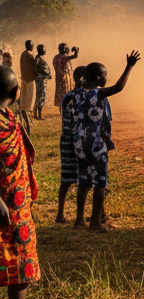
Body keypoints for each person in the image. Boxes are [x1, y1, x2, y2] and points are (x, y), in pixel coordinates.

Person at [71, 52, 141, 231]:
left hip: (79, 143)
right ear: (97, 78)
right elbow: (118, 87)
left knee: (84, 182)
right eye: (104, 76)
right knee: (100, 182)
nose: (106, 79)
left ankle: (79, 221)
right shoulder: (97, 94)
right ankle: (95, 223)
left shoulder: (78, 94)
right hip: (96, 144)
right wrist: (129, 66)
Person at [0, 65, 41, 299]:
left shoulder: (9, 118)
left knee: (21, 269)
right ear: (16, 92)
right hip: (5, 206)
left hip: (17, 209)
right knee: (18, 268)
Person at [56, 65, 87, 224]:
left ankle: (60, 214)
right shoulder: (86, 97)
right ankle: (97, 214)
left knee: (66, 178)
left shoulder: (67, 97)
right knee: (88, 177)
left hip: (66, 140)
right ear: (83, 79)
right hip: (80, 141)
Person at [32, 44, 52, 121]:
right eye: (43, 49)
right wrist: (45, 74)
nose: (44, 50)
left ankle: (37, 114)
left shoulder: (40, 58)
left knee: (41, 96)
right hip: (40, 80)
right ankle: (38, 115)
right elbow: (36, 69)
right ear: (40, 50)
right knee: (41, 96)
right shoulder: (38, 59)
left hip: (43, 79)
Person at [18, 41, 35, 117]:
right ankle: (28, 110)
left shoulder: (23, 54)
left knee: (24, 94)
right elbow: (34, 66)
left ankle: (23, 108)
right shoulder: (30, 55)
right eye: (32, 45)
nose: (32, 47)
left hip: (24, 77)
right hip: (30, 78)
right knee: (29, 94)